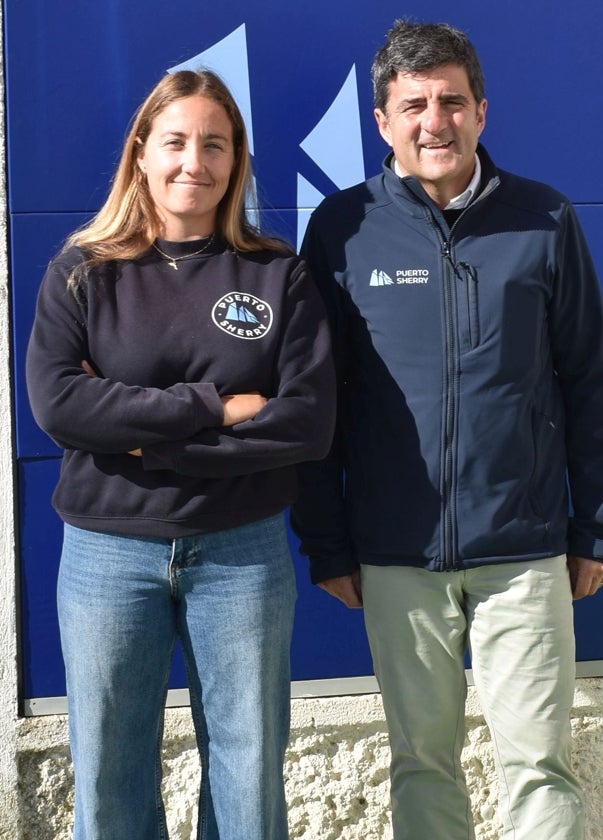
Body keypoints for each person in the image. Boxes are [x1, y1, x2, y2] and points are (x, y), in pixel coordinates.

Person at [292, 19, 603, 840]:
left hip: (523, 552)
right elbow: (314, 401)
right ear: (383, 121)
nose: (433, 122)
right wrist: (330, 544)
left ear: (482, 111)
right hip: (397, 555)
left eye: (451, 102)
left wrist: (599, 528)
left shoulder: (544, 218)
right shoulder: (341, 231)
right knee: (421, 766)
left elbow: (591, 381)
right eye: (414, 106)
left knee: (540, 767)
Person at [25, 69, 336, 839]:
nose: (193, 161)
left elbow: (305, 424)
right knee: (108, 767)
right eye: (175, 141)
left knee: (249, 762)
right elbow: (59, 404)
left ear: (236, 162)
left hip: (241, 550)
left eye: (214, 145)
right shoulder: (83, 273)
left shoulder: (278, 273)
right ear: (141, 152)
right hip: (108, 553)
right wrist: (213, 408)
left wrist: (141, 441)